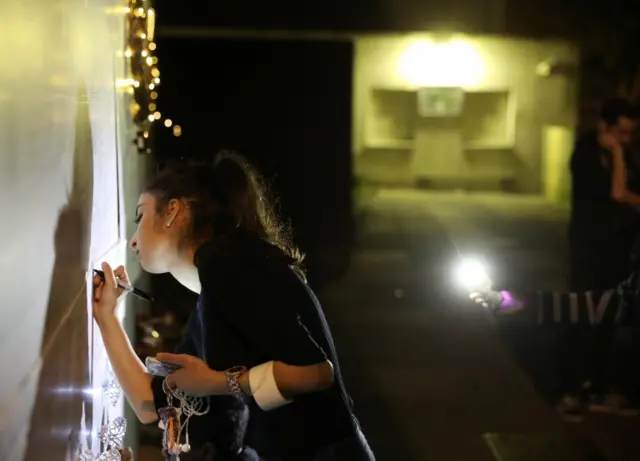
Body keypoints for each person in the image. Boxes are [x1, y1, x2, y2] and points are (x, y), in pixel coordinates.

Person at [93, 152, 375, 461]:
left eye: (141, 217)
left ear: (173, 211)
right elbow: (152, 405)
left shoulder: (228, 262)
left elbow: (317, 373)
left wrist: (214, 382)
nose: (133, 242)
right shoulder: (214, 289)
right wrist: (106, 317)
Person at [559, 98, 640, 421]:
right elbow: (617, 195)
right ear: (604, 127)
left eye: (632, 133)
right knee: (581, 318)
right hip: (590, 251)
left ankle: (597, 388)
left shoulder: (626, 157)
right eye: (621, 132)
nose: (627, 138)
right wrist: (619, 154)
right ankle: (570, 391)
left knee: (608, 322)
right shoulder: (586, 154)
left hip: (618, 252)